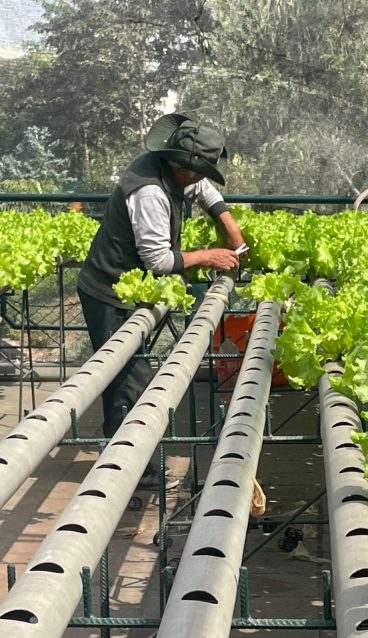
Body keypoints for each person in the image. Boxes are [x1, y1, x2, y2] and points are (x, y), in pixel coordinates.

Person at [77, 112, 246, 487]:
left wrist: (231, 227)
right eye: (200, 169)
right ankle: (129, 471)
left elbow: (203, 192)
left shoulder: (171, 170)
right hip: (108, 290)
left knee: (133, 372)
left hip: (132, 286)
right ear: (183, 166)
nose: (202, 177)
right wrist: (210, 255)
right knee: (125, 378)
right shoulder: (150, 191)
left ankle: (128, 459)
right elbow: (158, 260)